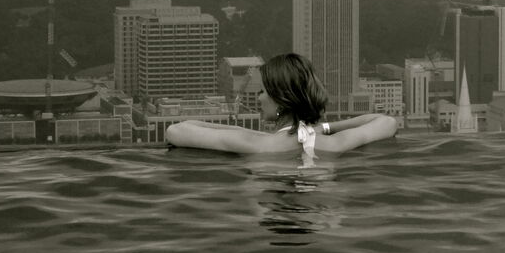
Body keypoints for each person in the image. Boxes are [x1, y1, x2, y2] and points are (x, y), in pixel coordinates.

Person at [165, 53, 397, 162]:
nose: (258, 98)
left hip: (272, 218)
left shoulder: (253, 144)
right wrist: (321, 129)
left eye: (263, 92)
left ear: (281, 99)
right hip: (322, 221)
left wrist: (244, 132)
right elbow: (386, 122)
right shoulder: (335, 143)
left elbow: (176, 131)